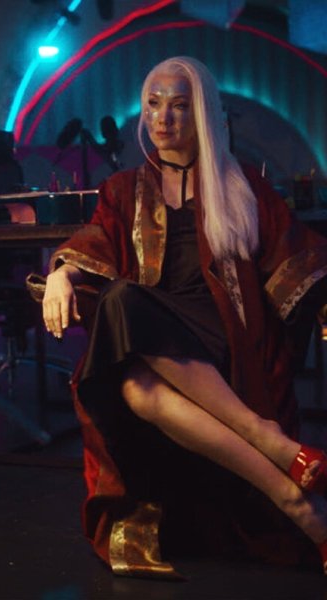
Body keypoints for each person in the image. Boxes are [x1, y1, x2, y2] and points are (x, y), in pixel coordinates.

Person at [41, 55, 327, 577]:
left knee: (124, 308)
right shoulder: (123, 189)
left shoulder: (242, 185)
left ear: (203, 114)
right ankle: (292, 489)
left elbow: (295, 254)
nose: (163, 117)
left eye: (178, 105)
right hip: (154, 333)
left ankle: (278, 462)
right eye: (153, 104)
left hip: (220, 334)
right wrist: (63, 273)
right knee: (134, 380)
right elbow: (97, 242)